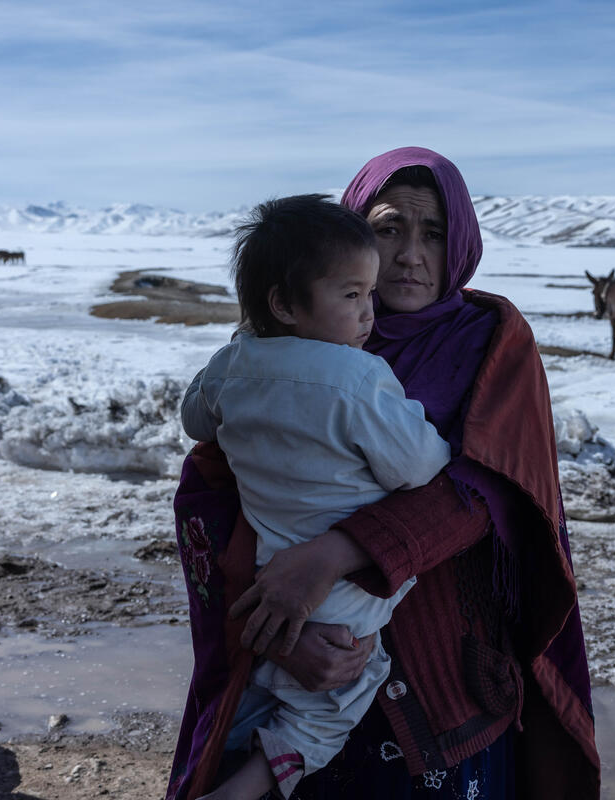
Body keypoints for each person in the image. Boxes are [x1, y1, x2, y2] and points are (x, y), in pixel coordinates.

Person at [168, 148, 601, 800]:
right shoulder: (292, 342)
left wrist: (333, 557)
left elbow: (491, 492)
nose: (410, 254)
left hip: (448, 692)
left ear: (460, 244)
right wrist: (278, 631)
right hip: (297, 675)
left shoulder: (490, 342)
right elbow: (214, 500)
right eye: (389, 228)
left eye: (434, 233)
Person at [181, 194, 452, 799]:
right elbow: (422, 466)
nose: (368, 315)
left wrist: (242, 357)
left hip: (266, 578)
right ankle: (248, 786)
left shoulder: (231, 365)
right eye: (352, 296)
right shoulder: (360, 378)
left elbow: (196, 420)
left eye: (369, 295)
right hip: (351, 597)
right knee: (340, 696)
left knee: (263, 690)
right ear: (284, 301)